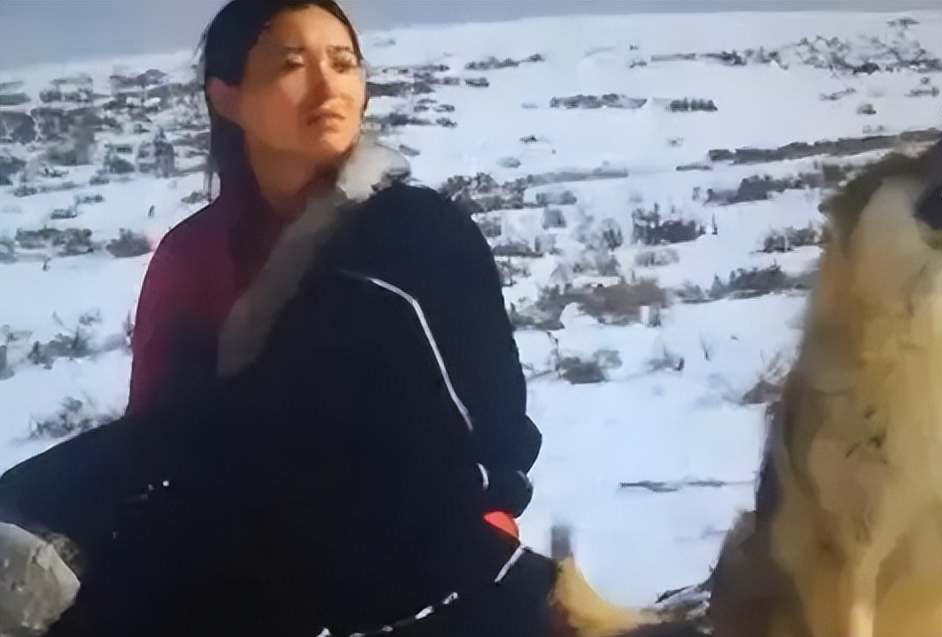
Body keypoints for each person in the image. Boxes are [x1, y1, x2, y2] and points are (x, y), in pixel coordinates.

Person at [0, 1, 553, 635]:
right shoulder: (193, 258)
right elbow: (160, 437)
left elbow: (494, 425)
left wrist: (487, 530)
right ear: (227, 97)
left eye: (344, 63)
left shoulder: (415, 237)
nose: (328, 86)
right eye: (293, 64)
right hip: (230, 566)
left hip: (410, 570)